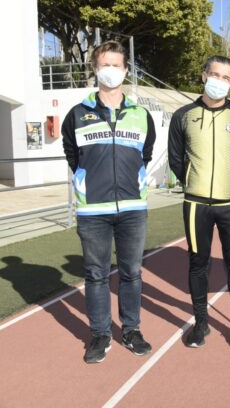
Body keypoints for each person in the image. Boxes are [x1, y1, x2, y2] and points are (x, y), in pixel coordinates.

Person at [62, 40, 156, 364]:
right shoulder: (76, 114)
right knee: (96, 275)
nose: (111, 71)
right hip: (93, 211)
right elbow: (72, 155)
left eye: (117, 65)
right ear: (95, 69)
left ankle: (131, 330)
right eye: (106, 65)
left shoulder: (142, 115)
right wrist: (86, 182)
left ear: (126, 71)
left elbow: (146, 154)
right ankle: (100, 334)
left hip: (132, 208)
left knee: (131, 273)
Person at [168, 55, 230, 348]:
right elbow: (175, 160)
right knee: (198, 264)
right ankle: (201, 323)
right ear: (204, 76)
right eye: (215, 75)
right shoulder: (183, 115)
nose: (220, 81)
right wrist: (195, 183)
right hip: (196, 205)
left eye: (227, 78)